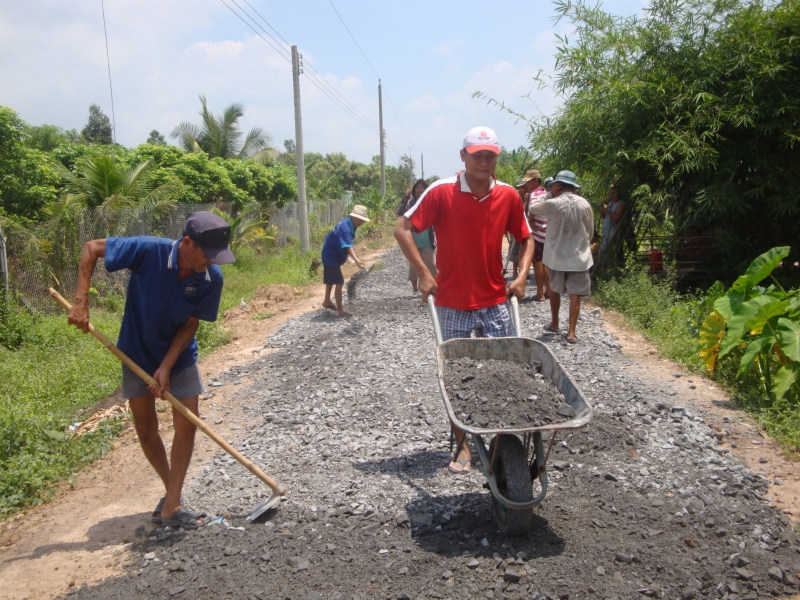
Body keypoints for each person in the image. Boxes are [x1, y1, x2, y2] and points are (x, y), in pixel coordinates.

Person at [68, 211, 235, 529]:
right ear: (187, 243)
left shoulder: (212, 278)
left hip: (180, 357)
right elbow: (91, 248)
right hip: (136, 353)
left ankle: (172, 504)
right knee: (146, 429)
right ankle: (171, 489)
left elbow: (190, 324)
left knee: (187, 424)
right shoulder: (149, 250)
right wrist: (81, 301)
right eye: (207, 255)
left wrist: (167, 366)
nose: (212, 263)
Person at [395, 126, 534, 473]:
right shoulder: (441, 192)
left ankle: (501, 437)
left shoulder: (508, 196)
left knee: (506, 372)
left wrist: (520, 277)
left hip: (496, 302)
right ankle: (462, 445)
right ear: (464, 156)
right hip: (452, 302)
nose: (483, 162)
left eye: (490, 156)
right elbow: (403, 229)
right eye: (477, 155)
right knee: (455, 376)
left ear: (496, 158)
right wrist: (425, 274)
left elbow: (526, 237)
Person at [528, 170, 594, 344]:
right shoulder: (584, 203)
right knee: (575, 295)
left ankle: (555, 323)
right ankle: (571, 333)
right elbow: (590, 231)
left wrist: (549, 193)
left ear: (559, 186)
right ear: (574, 186)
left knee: (555, 291)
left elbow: (532, 208)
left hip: (556, 257)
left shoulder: (553, 203)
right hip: (578, 258)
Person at [321, 205, 370, 317]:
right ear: (353, 216)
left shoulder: (349, 223)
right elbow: (348, 246)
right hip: (330, 256)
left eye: (362, 220)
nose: (361, 222)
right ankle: (341, 311)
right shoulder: (345, 227)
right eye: (359, 219)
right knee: (339, 282)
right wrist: (356, 259)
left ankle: (327, 300)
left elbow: (346, 243)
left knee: (330, 279)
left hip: (331, 254)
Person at [396, 179, 436, 294]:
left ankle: (434, 287)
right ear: (414, 190)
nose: (420, 189)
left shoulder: (430, 202)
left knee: (431, 265)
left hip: (427, 241)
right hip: (412, 241)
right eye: (417, 187)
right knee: (413, 266)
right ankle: (415, 291)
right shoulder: (410, 203)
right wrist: (405, 198)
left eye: (422, 187)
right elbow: (400, 212)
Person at [520, 169, 551, 302]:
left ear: (536, 181)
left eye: (528, 181)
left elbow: (532, 209)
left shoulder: (535, 194)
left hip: (537, 233)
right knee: (545, 263)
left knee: (537, 262)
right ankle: (548, 290)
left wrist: (531, 222)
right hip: (546, 232)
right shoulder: (545, 193)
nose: (526, 184)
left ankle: (540, 293)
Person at [598, 184, 625, 266]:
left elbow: (617, 217)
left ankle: (603, 267)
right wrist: (603, 209)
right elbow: (604, 216)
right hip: (606, 231)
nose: (612, 195)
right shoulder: (609, 203)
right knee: (604, 251)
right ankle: (604, 267)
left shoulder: (621, 204)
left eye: (614, 193)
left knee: (603, 250)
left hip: (613, 232)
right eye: (611, 193)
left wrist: (606, 210)